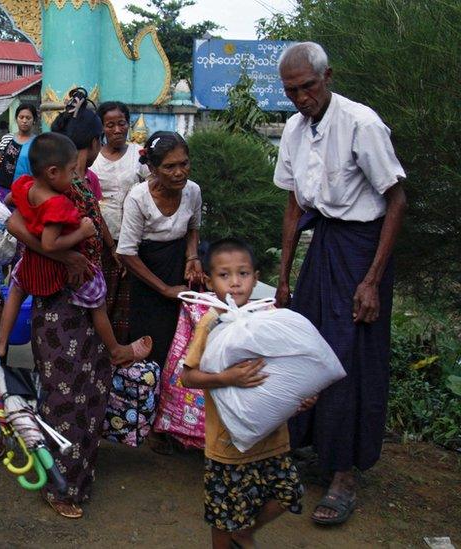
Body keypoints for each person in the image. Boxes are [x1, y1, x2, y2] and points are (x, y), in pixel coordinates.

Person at [274, 42, 407, 526]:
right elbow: (294, 206)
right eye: (291, 91)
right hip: (323, 245)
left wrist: (371, 280)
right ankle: (307, 445)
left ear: (327, 76)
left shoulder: (361, 123)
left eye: (308, 86)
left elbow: (396, 201)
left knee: (351, 354)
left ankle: (344, 474)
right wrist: (284, 278)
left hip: (362, 250)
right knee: (306, 348)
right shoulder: (293, 128)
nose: (301, 97)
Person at [2, 133, 115, 520]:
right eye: (75, 165)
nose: (81, 169)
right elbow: (16, 224)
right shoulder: (45, 192)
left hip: (86, 296)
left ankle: (79, 476)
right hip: (57, 305)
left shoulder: (69, 187)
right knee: (63, 395)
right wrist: (69, 252)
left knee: (92, 387)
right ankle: (59, 484)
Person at [181, 238, 315, 549]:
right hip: (228, 442)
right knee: (224, 513)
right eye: (224, 275)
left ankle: (244, 534)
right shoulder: (211, 324)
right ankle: (233, 537)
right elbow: (188, 377)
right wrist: (228, 377)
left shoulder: (268, 319)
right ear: (210, 280)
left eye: (242, 273)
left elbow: (283, 371)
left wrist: (300, 396)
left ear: (255, 278)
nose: (235, 282)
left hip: (271, 437)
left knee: (289, 491)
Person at [0, 130, 150, 367]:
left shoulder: (25, 186)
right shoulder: (57, 204)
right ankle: (115, 349)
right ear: (53, 172)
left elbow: (9, 204)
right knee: (97, 298)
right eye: (72, 171)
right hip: (58, 265)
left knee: (16, 288)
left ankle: (2, 341)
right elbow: (49, 243)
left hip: (31, 262)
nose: (76, 176)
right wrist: (82, 232)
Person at [117, 131, 205, 368]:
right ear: (153, 169)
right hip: (148, 277)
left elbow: (193, 227)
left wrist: (192, 256)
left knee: (185, 342)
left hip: (179, 269)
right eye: (169, 167)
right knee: (153, 343)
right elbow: (126, 252)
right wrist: (164, 289)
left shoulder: (192, 191)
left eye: (184, 164)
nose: (179, 172)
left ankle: (177, 400)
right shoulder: (138, 198)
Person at [91, 101, 144, 342]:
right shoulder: (94, 159)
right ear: (102, 128)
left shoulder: (138, 154)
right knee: (104, 296)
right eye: (110, 125)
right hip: (102, 237)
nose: (116, 130)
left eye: (121, 123)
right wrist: (112, 246)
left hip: (134, 236)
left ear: (128, 124)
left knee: (129, 298)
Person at [0, 104, 37, 200]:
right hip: (0, 187)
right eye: (21, 117)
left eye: (28, 118)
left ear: (34, 120)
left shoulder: (37, 143)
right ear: (16, 119)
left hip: (24, 191)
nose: (24, 121)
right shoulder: (7, 138)